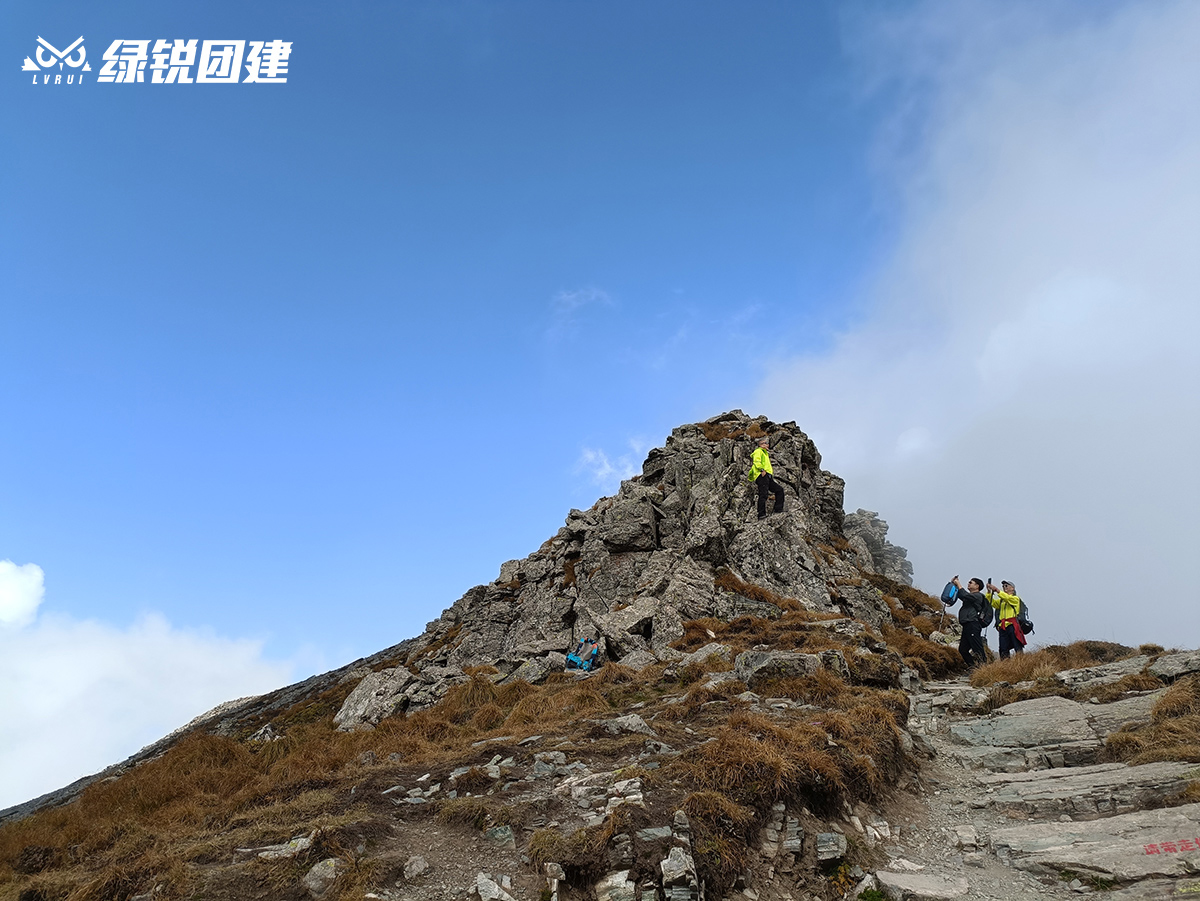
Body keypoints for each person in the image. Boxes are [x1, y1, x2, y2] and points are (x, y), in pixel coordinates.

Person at [947, 576, 989, 670]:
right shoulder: (970, 597)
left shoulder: (978, 596)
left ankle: (983, 668)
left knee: (977, 647)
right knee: (963, 649)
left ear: (977, 586)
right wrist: (954, 585)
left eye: (971, 582)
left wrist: (958, 584)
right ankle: (973, 668)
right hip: (966, 624)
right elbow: (961, 595)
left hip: (973, 624)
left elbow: (965, 595)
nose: (968, 584)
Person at [747, 437, 785, 520]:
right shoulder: (758, 451)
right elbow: (756, 461)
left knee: (779, 490)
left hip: (768, 476)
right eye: (765, 443)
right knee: (763, 494)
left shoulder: (765, 453)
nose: (767, 444)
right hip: (762, 475)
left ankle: (778, 509)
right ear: (761, 445)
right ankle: (761, 514)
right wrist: (762, 470)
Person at [988, 579, 1026, 660]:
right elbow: (992, 603)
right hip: (1003, 626)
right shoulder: (1002, 600)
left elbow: (1008, 598)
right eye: (1003, 586)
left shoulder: (1015, 599)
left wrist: (997, 590)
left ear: (1012, 588)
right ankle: (1005, 664)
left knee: (1017, 645)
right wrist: (988, 592)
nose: (1004, 587)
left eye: (1006, 586)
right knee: (1003, 648)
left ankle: (1021, 662)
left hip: (1012, 625)